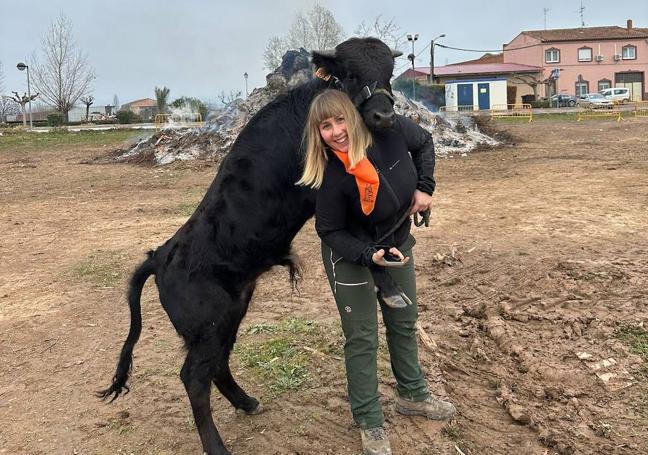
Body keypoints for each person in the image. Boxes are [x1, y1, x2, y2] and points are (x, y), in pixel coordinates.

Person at [297, 89, 456, 455]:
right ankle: (369, 420)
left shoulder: (391, 132)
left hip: (396, 241)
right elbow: (329, 231)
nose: (336, 131)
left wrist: (424, 188)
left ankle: (413, 395)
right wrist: (370, 256)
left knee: (403, 319)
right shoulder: (332, 174)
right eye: (325, 126)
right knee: (363, 336)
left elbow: (426, 143)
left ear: (353, 116)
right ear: (317, 132)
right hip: (351, 255)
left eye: (340, 120)